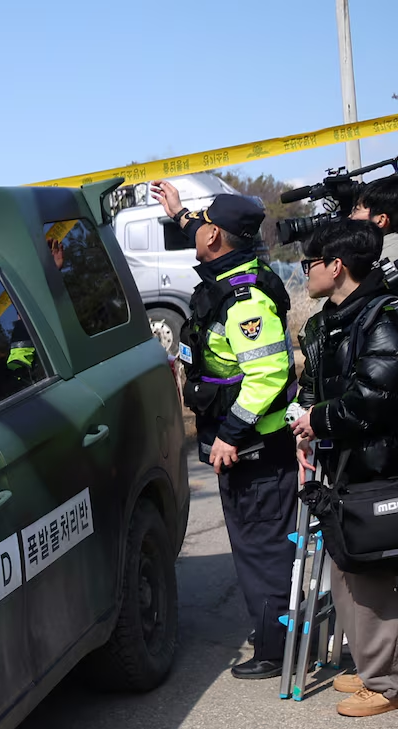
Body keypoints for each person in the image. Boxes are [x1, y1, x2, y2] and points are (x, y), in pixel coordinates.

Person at [294, 219, 398, 718]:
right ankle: (371, 664)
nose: (305, 274)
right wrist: (308, 427)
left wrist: (316, 420)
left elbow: (372, 400)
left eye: (309, 264)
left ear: (337, 267)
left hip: (390, 466)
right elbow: (322, 386)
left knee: (388, 572)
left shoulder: (383, 318)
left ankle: (395, 682)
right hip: (352, 465)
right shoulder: (337, 317)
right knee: (353, 567)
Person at [150, 185, 298, 679]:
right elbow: (200, 227)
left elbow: (269, 373)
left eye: (200, 224)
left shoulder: (244, 298)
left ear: (216, 235)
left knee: (261, 547)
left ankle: (276, 647)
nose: (195, 227)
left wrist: (231, 434)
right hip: (241, 440)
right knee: (255, 540)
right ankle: (273, 628)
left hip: (253, 446)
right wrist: (176, 212)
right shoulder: (230, 263)